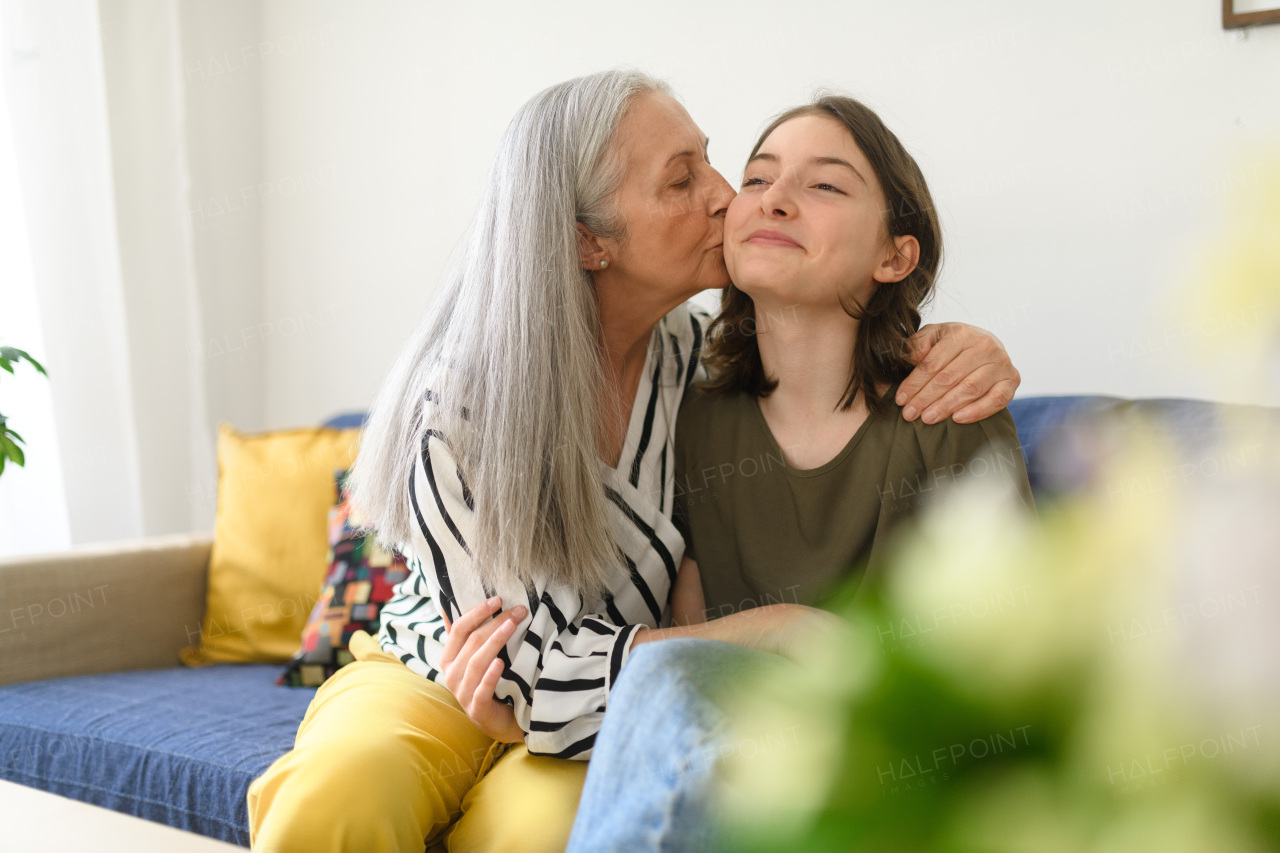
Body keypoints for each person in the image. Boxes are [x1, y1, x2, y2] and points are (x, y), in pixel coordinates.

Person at [246, 70, 1021, 853]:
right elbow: (518, 670)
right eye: (684, 181)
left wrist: (962, 345)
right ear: (590, 241)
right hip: (446, 676)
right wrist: (782, 628)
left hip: (603, 705)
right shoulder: (461, 401)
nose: (728, 196)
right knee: (341, 793)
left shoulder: (700, 370)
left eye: (713, 163)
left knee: (543, 830)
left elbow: (828, 357)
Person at [565, 94, 1036, 853]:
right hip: (745, 767)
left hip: (904, 767)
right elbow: (692, 656)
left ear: (895, 256)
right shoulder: (697, 418)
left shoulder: (952, 410)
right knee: (667, 678)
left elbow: (1006, 675)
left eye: (825, 185)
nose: (775, 200)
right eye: (757, 180)